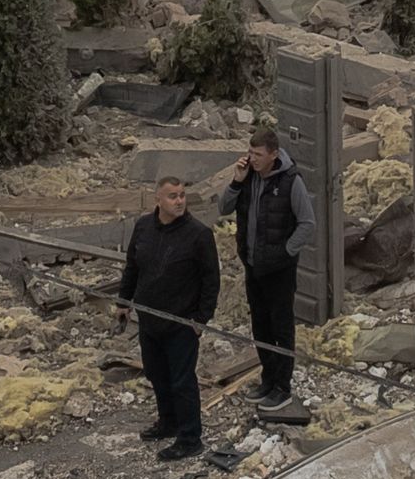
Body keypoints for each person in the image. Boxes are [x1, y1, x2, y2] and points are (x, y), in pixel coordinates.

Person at [117, 174, 219, 461]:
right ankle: (168, 422)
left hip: (182, 324)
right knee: (157, 374)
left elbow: (212, 280)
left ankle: (190, 437)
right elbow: (132, 268)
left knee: (182, 381)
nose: (179, 201)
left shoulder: (198, 234)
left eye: (182, 195)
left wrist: (201, 319)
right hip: (149, 320)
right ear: (158, 200)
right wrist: (124, 302)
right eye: (173, 196)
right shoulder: (143, 228)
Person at [223, 125, 318, 420]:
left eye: (258, 155)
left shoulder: (290, 182)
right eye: (250, 153)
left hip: (279, 269)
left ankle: (282, 386)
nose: (252, 159)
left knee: (281, 327)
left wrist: (285, 252)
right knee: (260, 327)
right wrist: (236, 182)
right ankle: (268, 379)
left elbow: (307, 224)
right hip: (253, 265)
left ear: (274, 155)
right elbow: (223, 207)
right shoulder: (247, 177)